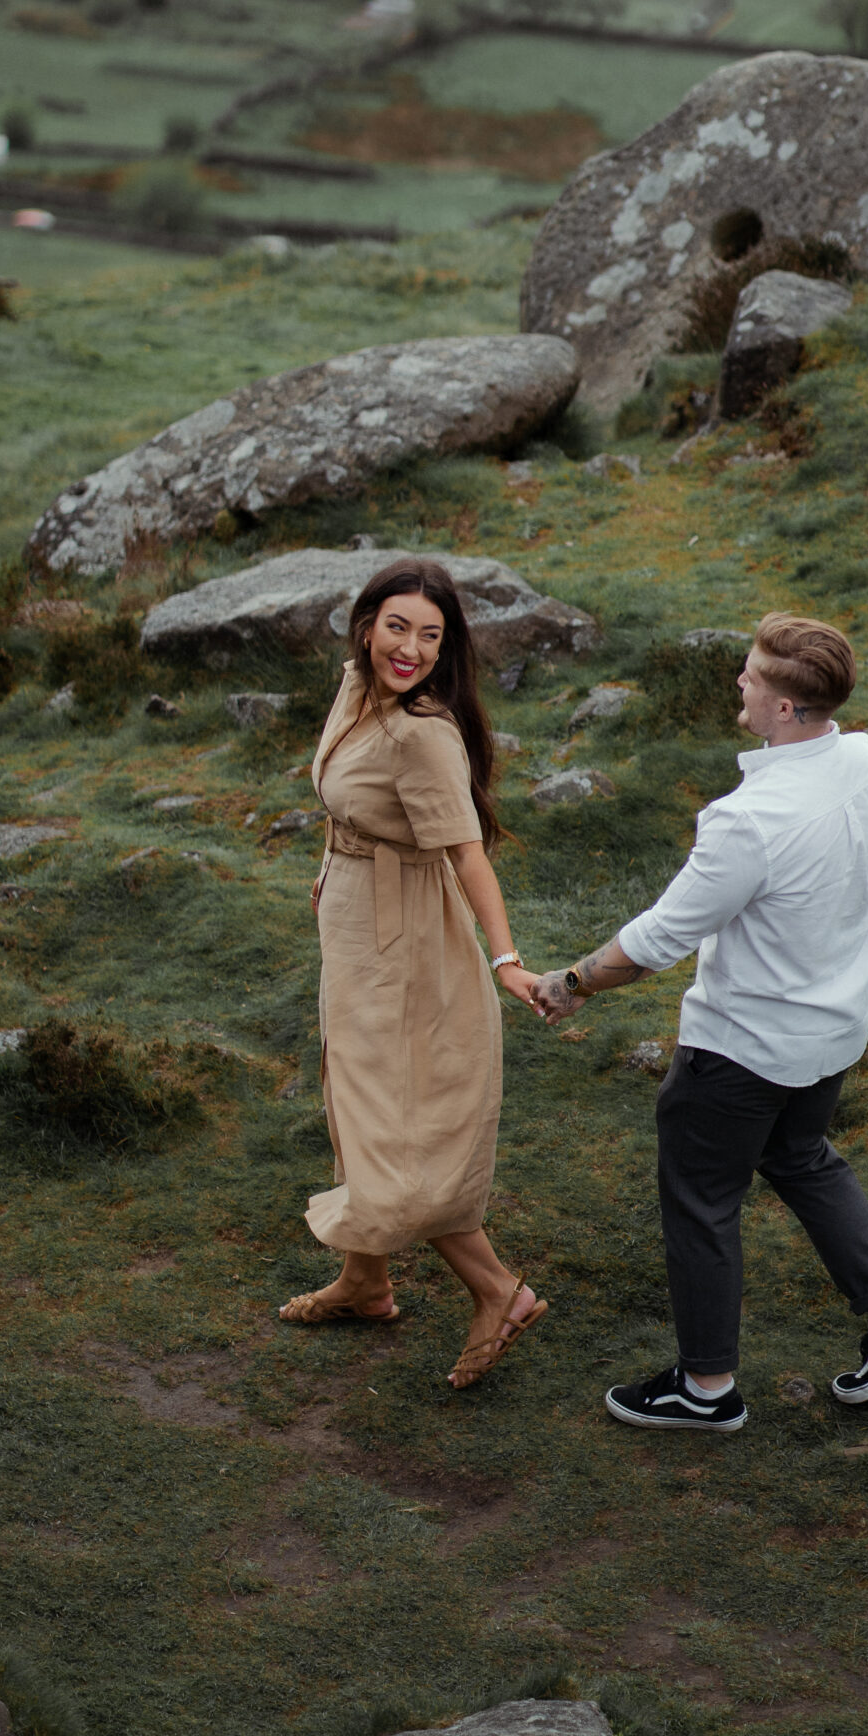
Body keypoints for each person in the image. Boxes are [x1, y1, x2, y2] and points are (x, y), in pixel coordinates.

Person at [534, 611, 868, 1432]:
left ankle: (705, 1389)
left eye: (753, 674)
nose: (740, 681)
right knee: (800, 1156)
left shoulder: (746, 822)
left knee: (700, 1200)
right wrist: (859, 961)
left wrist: (574, 980)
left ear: (788, 708)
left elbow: (659, 938)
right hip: (834, 1031)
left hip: (740, 1052)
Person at [278, 558, 549, 1390]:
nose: (412, 648)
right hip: (357, 919)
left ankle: (498, 1290)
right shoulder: (358, 684)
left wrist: (504, 959)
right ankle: (366, 1282)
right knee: (352, 1095)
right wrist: (335, 868)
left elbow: (469, 856)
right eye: (399, 626)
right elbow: (346, 801)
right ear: (365, 625)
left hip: (405, 944)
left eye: (431, 636)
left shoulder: (420, 732)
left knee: (391, 1121)